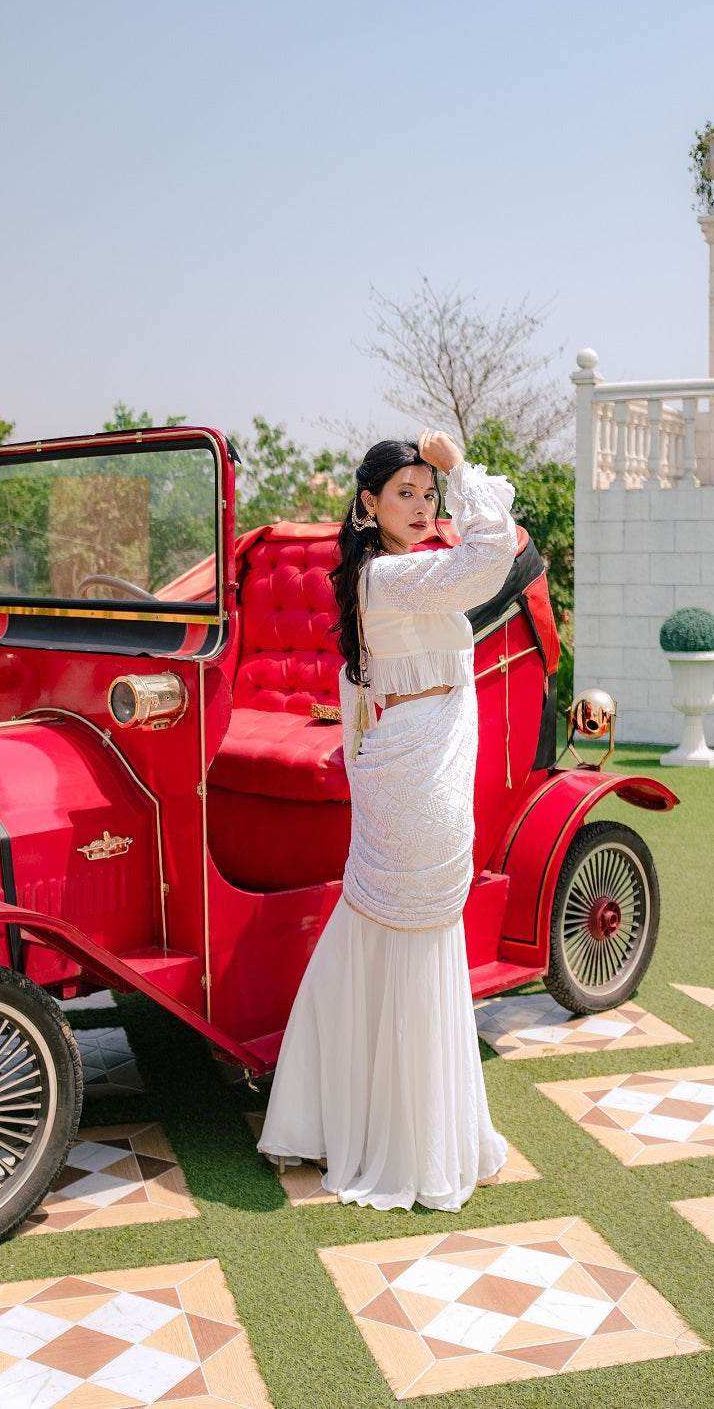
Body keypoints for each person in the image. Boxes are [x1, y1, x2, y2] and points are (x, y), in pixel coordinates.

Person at [256, 428, 519, 1211]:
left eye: (427, 493)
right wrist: (455, 464)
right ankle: (403, 1145)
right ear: (367, 505)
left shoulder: (383, 577)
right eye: (403, 492)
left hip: (404, 762)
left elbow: (352, 694)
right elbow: (493, 553)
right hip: (417, 777)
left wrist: (368, 767)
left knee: (380, 934)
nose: (421, 504)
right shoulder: (395, 577)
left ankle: (349, 1119)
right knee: (414, 936)